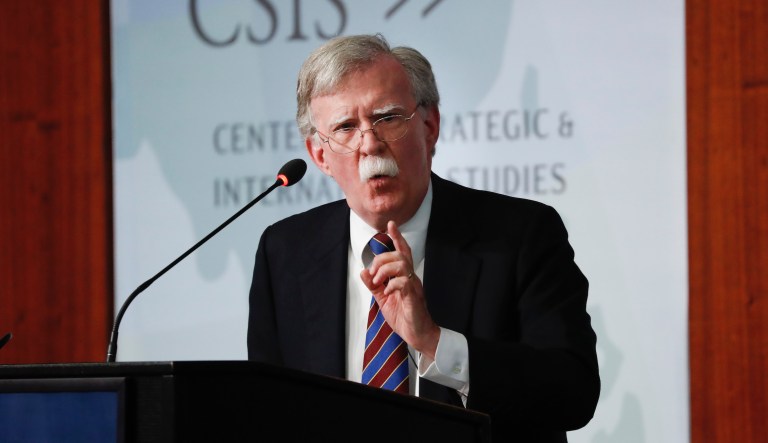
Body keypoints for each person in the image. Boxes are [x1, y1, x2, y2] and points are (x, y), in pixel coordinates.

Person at [248, 33, 600, 442]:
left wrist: (435, 342)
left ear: (429, 127)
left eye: (387, 118)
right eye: (346, 127)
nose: (370, 144)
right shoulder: (285, 253)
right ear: (320, 155)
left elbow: (573, 391)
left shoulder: (520, 234)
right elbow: (266, 412)